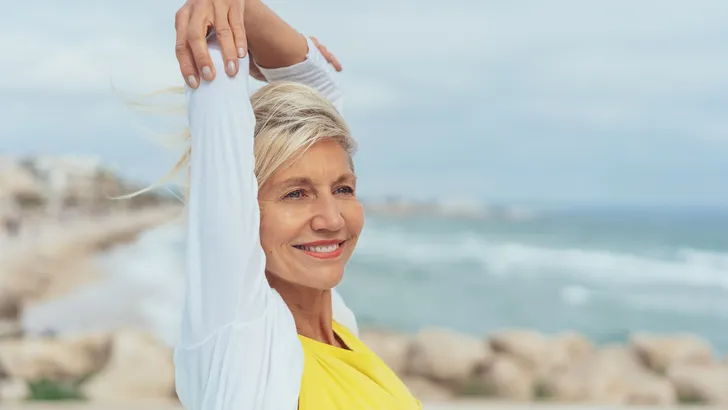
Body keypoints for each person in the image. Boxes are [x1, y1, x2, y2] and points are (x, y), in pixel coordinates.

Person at [168, 0, 422, 408]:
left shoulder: (339, 326)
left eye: (343, 189)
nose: (331, 219)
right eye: (295, 193)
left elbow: (319, 88)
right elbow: (217, 81)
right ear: (245, 211)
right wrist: (233, 13)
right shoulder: (244, 344)